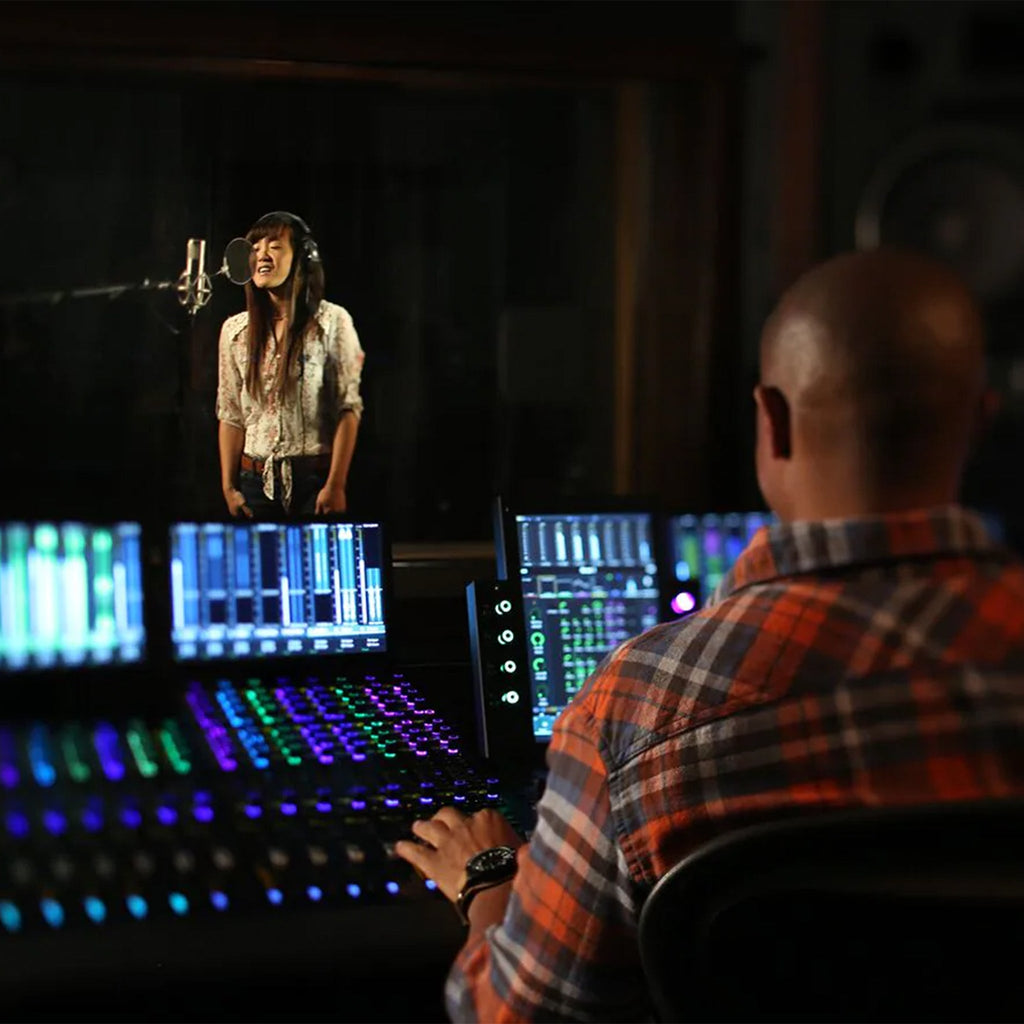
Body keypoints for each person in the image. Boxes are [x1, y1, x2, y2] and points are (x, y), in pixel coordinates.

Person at [395, 248, 1024, 1022]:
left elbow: (517, 1016)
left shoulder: (634, 712)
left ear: (772, 420)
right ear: (980, 420)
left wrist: (491, 879)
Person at [217, 210, 364, 518]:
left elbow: (347, 409)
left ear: (302, 258)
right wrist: (229, 488)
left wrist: (336, 484)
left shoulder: (332, 322)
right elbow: (231, 415)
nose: (262, 254)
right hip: (254, 484)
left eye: (274, 245)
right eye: (255, 248)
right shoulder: (234, 331)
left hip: (315, 483)